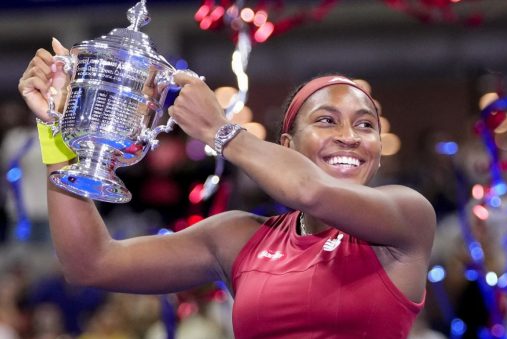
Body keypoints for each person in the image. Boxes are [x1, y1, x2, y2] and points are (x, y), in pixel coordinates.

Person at [18, 38, 436, 338]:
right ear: (286, 145)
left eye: (366, 125)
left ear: (378, 153)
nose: (349, 136)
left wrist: (219, 130)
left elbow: (311, 192)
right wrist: (55, 129)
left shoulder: (406, 216)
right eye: (327, 120)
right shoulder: (238, 238)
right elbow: (90, 262)